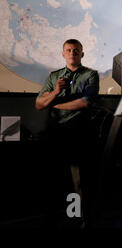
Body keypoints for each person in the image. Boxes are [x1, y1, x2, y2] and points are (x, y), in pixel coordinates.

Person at [35, 39, 99, 227]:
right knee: (53, 179)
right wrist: (55, 92)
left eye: (76, 51)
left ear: (82, 54)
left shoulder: (90, 75)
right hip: (55, 135)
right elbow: (39, 104)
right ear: (63, 54)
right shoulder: (54, 77)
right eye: (69, 50)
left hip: (79, 135)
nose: (72, 53)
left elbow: (85, 102)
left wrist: (53, 103)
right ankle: (52, 217)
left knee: (78, 181)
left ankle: (79, 218)